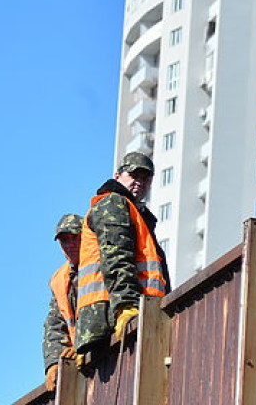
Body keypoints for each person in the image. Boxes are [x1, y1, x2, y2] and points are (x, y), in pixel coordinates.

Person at [75, 151, 171, 357]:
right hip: (113, 316)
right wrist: (126, 306)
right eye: (134, 175)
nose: (140, 182)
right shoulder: (114, 203)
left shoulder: (134, 212)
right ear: (117, 176)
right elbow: (117, 257)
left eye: (146, 178)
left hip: (113, 318)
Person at [43, 214, 82, 391]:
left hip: (103, 348)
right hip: (79, 360)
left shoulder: (101, 264)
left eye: (75, 238)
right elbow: (54, 325)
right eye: (64, 240)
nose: (70, 244)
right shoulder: (59, 279)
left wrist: (84, 343)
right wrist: (53, 363)